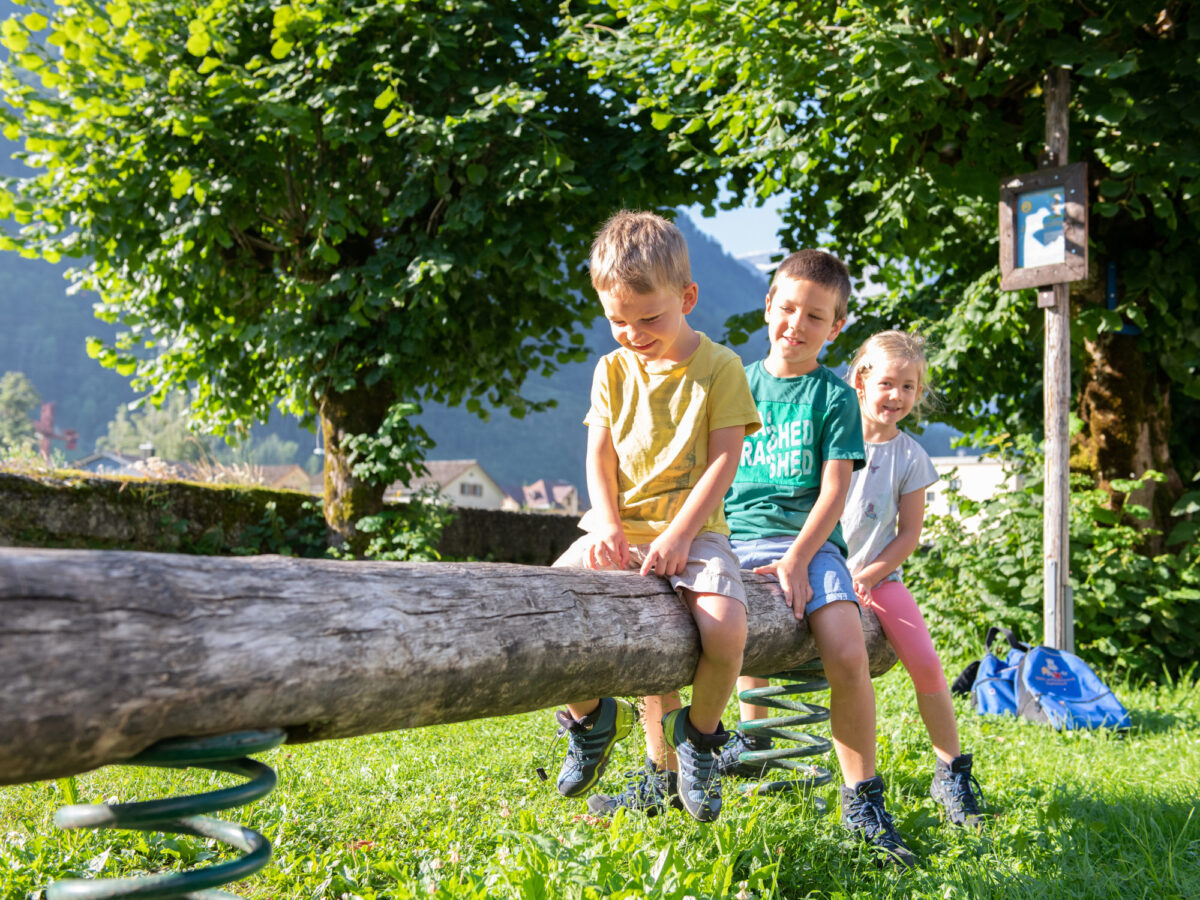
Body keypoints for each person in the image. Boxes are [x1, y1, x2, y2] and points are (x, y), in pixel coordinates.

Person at [550, 210, 762, 823]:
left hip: (695, 533)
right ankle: (592, 719)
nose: (633, 333)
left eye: (649, 319)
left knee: (725, 629)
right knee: (548, 608)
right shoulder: (611, 370)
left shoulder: (720, 368)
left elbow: (724, 463)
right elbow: (599, 453)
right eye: (617, 320)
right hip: (620, 529)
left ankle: (698, 738)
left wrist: (679, 534)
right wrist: (607, 523)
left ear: (687, 297)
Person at [721, 250, 916, 867]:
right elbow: (711, 471)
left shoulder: (833, 396)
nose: (796, 325)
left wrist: (800, 559)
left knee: (846, 646)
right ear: (768, 307)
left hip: (809, 542)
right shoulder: (735, 384)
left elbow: (835, 491)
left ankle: (862, 797)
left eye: (815, 316)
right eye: (787, 309)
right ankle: (692, 760)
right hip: (731, 539)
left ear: (835, 329)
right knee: (691, 627)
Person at [842, 329, 985, 827]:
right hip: (819, 570)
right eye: (887, 383)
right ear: (861, 381)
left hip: (879, 579)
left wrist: (870, 573)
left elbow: (908, 536)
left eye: (908, 387)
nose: (896, 396)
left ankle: (951, 769)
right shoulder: (830, 436)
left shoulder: (910, 457)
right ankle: (754, 740)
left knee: (926, 662)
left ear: (918, 394)